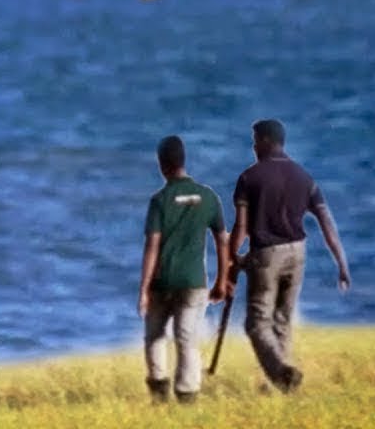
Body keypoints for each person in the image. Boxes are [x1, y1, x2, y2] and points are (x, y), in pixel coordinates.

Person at [228, 119, 351, 393]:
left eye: (256, 140)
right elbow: (326, 221)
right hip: (298, 252)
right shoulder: (304, 177)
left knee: (256, 324)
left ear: (267, 141)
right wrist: (341, 263)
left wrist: (230, 257)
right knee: (282, 320)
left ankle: (282, 373)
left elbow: (242, 227)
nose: (253, 146)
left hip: (267, 254)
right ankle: (283, 386)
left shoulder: (250, 177)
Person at [138, 135, 230, 404]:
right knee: (186, 339)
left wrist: (143, 289)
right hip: (193, 282)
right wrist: (222, 279)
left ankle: (159, 392)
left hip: (162, 281)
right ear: (183, 160)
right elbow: (222, 239)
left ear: (161, 164)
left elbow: (152, 246)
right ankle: (187, 396)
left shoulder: (160, 200)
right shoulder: (208, 196)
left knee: (155, 336)